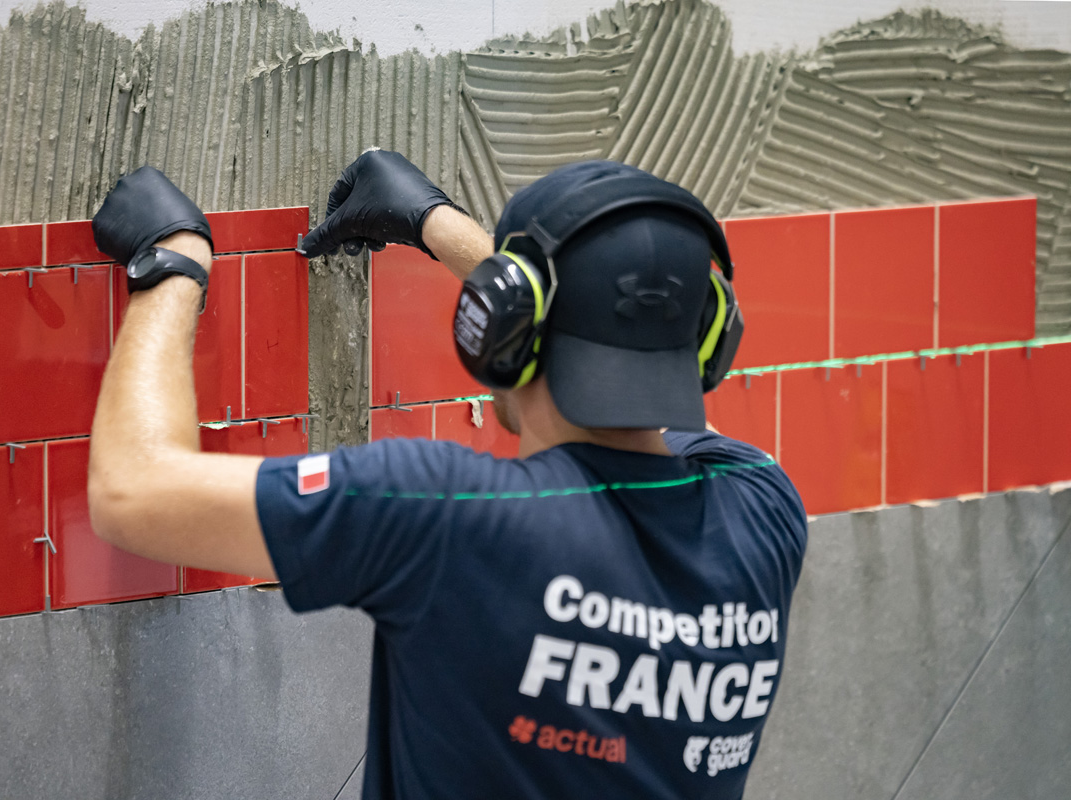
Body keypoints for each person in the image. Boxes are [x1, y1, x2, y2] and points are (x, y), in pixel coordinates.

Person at [88, 150, 808, 799]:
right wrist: (437, 224)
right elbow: (649, 399)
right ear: (708, 341)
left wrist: (175, 264)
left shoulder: (449, 515)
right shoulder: (765, 509)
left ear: (501, 321)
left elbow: (131, 490)